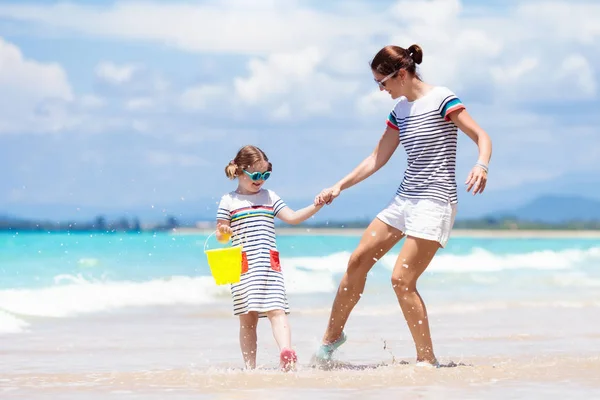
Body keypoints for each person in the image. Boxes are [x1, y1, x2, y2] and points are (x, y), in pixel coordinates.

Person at [313, 44, 492, 367]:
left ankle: (427, 360)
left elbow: (481, 135)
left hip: (435, 200)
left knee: (401, 280)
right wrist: (338, 185)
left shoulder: (442, 99)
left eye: (383, 83)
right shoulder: (399, 112)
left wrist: (481, 164)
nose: (382, 90)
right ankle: (331, 339)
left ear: (403, 74)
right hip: (405, 198)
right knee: (357, 261)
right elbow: (376, 158)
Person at [216, 145, 324, 371]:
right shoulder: (229, 201)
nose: (261, 180)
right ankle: (250, 367)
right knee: (248, 319)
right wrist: (224, 232)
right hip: (242, 266)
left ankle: (286, 351)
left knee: (277, 310)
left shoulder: (269, 197)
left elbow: (293, 218)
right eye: (256, 175)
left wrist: (317, 205)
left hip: (269, 264)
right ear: (240, 171)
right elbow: (221, 233)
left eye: (266, 175)